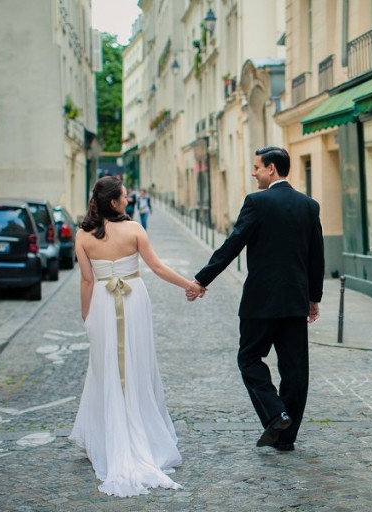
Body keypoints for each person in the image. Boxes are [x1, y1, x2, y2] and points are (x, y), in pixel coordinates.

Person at [69, 176, 201, 497]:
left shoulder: (83, 236)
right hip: (134, 299)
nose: (128, 201)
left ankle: (107, 436)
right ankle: (141, 430)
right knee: (138, 363)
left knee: (104, 368)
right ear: (113, 202)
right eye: (124, 197)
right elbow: (156, 267)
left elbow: (87, 281)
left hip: (102, 302)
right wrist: (189, 284)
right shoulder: (135, 230)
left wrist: (87, 314)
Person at [188, 146, 324, 452]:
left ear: (272, 169)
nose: (254, 173)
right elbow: (317, 256)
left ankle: (276, 415)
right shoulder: (309, 206)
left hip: (260, 302)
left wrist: (201, 280)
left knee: (249, 358)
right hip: (293, 302)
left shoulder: (257, 203)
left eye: (257, 167)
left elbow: (233, 244)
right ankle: (285, 438)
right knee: (295, 370)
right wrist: (313, 297)